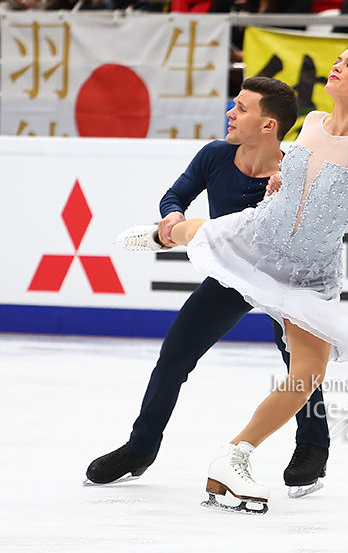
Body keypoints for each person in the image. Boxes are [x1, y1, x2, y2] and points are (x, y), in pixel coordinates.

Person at [117, 0, 348, 511]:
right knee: (195, 229)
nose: (338, 66)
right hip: (259, 237)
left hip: (307, 274)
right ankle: (162, 234)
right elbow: (296, 173)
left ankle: (236, 454)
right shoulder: (311, 124)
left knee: (306, 376)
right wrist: (282, 177)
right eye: (338, 59)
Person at [86, 78, 332, 498]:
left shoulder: (297, 171)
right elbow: (175, 194)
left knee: (301, 365)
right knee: (173, 358)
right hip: (230, 277)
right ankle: (140, 448)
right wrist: (173, 214)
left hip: (284, 280)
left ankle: (313, 447)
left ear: (268, 125)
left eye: (241, 108)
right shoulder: (216, 155)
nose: (230, 113)